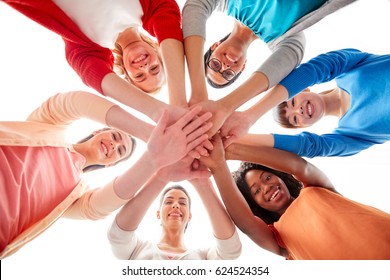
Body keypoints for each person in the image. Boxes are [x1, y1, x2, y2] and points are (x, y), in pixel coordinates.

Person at [0, 90, 212, 258]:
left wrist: (154, 160)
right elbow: (72, 102)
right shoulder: (46, 128)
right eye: (116, 136)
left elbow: (102, 206)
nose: (114, 145)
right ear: (98, 131)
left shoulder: (75, 198)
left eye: (119, 151)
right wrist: (150, 135)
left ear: (111, 164)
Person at [199, 134, 390, 259]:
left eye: (267, 177)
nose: (266, 187)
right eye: (256, 191)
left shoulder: (316, 188)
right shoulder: (278, 238)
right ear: (254, 204)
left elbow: (301, 167)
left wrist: (231, 151)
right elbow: (246, 223)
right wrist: (218, 165)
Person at [182, 0, 355, 137]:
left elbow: (196, 6)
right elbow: (290, 58)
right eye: (228, 73)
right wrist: (228, 107)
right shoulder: (285, 40)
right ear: (243, 68)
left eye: (215, 65)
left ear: (214, 46)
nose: (225, 66)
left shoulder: (225, 2)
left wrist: (198, 92)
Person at [3, 0, 188, 124]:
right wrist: (178, 102)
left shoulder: (87, 47)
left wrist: (156, 112)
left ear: (126, 74)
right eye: (155, 68)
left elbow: (94, 75)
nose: (144, 67)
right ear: (159, 51)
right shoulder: (150, 7)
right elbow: (168, 20)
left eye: (139, 76)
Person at [223, 48, 390, 158]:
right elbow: (309, 147)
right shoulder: (349, 134)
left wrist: (249, 116)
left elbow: (314, 69)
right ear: (304, 127)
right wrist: (236, 138)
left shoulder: (346, 70)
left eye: (293, 101)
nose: (298, 111)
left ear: (304, 89)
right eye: (295, 119)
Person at [108, 156, 241, 260]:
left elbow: (230, 251)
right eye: (168, 201)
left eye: (183, 203)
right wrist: (162, 177)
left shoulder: (203, 257)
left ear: (189, 216)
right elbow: (118, 235)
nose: (176, 205)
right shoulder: (137, 249)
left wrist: (202, 183)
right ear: (158, 214)